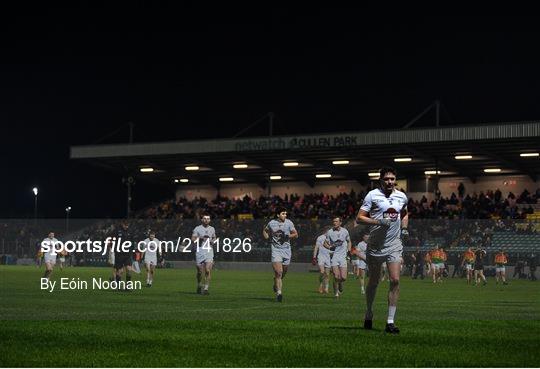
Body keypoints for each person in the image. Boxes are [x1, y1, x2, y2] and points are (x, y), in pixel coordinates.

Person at [355, 166, 408, 334]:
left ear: (395, 180)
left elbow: (405, 213)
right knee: (374, 281)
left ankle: (390, 321)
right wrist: (378, 222)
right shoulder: (372, 195)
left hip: (394, 244)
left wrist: (404, 228)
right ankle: (369, 312)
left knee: (395, 280)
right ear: (381, 180)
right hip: (376, 245)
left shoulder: (401, 196)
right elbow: (360, 217)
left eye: (392, 179)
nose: (390, 182)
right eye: (386, 179)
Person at [263, 207, 298, 302]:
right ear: (278, 215)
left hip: (286, 250)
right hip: (276, 250)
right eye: (283, 213)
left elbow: (296, 234)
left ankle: (276, 283)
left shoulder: (289, 223)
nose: (285, 215)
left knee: (283, 273)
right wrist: (266, 237)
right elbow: (265, 231)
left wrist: (287, 236)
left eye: (286, 214)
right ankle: (279, 293)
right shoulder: (271, 223)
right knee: (279, 272)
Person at [323, 216, 352, 298]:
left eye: (336, 221)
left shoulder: (345, 231)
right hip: (334, 256)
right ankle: (336, 294)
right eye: (333, 221)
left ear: (340, 223)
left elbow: (349, 241)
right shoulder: (330, 232)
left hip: (343, 257)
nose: (334, 223)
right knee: (336, 276)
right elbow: (325, 243)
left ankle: (340, 283)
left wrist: (349, 251)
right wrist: (329, 247)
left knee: (343, 278)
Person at [192, 214, 216, 295]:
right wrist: (200, 238)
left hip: (209, 251)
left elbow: (214, 237)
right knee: (199, 271)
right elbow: (193, 239)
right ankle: (199, 285)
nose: (206, 220)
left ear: (210, 220)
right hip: (200, 251)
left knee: (207, 270)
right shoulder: (197, 228)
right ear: (202, 220)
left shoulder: (212, 229)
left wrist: (213, 241)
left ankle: (206, 288)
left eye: (208, 219)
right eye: (205, 218)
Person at [112, 221, 134, 290]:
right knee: (120, 271)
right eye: (125, 225)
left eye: (127, 225)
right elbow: (113, 241)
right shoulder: (117, 231)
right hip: (119, 254)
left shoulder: (130, 231)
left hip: (128, 254)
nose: (126, 226)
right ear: (122, 224)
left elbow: (132, 242)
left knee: (128, 269)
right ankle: (118, 286)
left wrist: (132, 250)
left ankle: (128, 287)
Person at [312, 228, 331, 294]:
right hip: (321, 257)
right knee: (322, 272)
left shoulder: (331, 238)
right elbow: (316, 247)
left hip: (328, 258)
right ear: (326, 231)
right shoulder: (320, 238)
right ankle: (320, 285)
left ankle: (326, 288)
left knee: (327, 274)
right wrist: (314, 257)